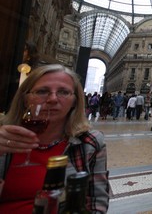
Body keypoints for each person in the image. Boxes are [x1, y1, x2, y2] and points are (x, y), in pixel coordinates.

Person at [0, 64, 109, 213]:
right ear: (25, 99)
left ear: (74, 102)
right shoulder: (3, 135)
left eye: (63, 92)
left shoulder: (89, 143)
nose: (52, 99)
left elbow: (97, 205)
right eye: (42, 91)